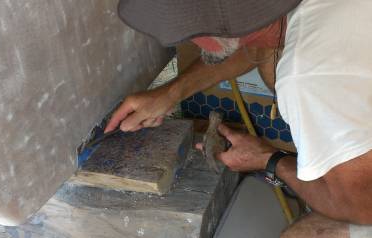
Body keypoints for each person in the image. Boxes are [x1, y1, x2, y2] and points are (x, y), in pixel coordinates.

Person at [106, 0, 372, 236]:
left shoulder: (305, 80)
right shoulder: (289, 14)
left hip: (364, 199)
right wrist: (169, 95)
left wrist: (270, 160)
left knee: (306, 234)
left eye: (191, 33)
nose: (191, 41)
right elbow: (259, 44)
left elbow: (362, 206)